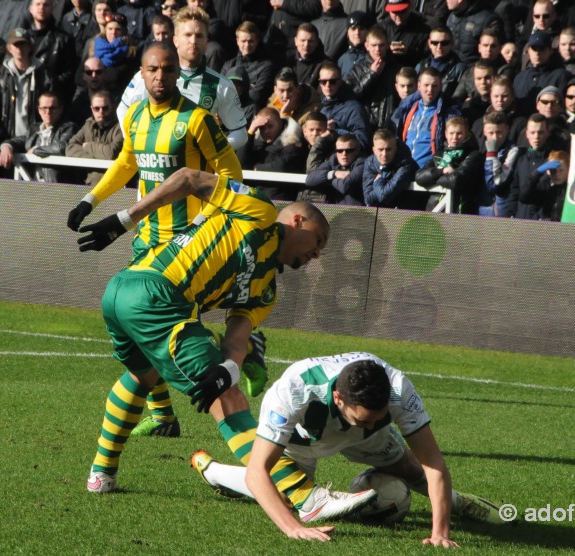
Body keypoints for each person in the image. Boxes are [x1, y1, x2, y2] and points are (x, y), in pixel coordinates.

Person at [78, 165, 381, 540]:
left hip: (124, 293)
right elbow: (189, 178)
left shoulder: (266, 289)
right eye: (317, 242)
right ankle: (305, 495)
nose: (316, 256)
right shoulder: (259, 209)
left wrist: (229, 370)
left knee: (144, 376)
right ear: (299, 220)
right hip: (157, 293)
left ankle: (101, 474)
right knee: (229, 400)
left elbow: (237, 341)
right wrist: (125, 219)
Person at [67, 43, 262, 438]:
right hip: (146, 238)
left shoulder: (197, 120)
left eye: (168, 69)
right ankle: (165, 418)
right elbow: (127, 163)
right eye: (153, 70)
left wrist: (206, 220)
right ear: (141, 73)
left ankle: (246, 349)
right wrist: (90, 200)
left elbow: (231, 175)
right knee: (140, 327)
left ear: (177, 73)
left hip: (187, 242)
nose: (160, 77)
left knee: (166, 329)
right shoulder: (136, 116)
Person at [189, 352, 504, 546]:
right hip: (303, 439)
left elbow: (433, 463)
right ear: (338, 399)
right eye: (363, 419)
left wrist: (440, 533)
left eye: (378, 418)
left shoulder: (397, 390)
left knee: (412, 471)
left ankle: (460, 503)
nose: (370, 423)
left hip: (364, 442)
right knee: (281, 497)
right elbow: (258, 472)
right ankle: (213, 471)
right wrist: (293, 529)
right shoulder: (293, 391)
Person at [115, 6, 248, 150]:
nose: (193, 41)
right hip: (155, 167)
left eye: (199, 36)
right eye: (187, 35)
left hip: (195, 171)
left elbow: (240, 132)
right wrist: (135, 142)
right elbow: (123, 108)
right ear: (176, 40)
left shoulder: (221, 85)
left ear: (206, 41)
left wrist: (213, 150)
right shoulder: (151, 74)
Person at [0, 28, 53, 151]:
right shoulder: (0, 74)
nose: (19, 48)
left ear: (30, 47)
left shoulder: (44, 74)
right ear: (9, 48)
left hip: (36, 142)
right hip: (5, 140)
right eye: (15, 45)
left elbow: (53, 108)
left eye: (23, 44)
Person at [0, 91, 78, 181]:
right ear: (39, 110)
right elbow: (17, 141)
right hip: (34, 187)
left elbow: (62, 147)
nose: (48, 112)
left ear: (60, 109)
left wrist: (36, 150)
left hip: (58, 188)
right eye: (44, 108)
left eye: (52, 108)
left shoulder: (68, 127)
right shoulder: (34, 129)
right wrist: (6, 147)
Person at [391, 66, 461, 169]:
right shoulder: (406, 108)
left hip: (429, 171)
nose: (430, 90)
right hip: (404, 170)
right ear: (419, 86)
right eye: (426, 85)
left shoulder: (449, 112)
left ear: (441, 86)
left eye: (434, 86)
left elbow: (454, 144)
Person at [414, 115, 482, 213]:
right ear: (446, 134)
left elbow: (456, 180)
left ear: (466, 134)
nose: (455, 137)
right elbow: (419, 177)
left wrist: (433, 179)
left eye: (459, 133)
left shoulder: (473, 155)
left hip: (460, 211)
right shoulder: (439, 155)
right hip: (435, 210)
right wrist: (442, 171)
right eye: (451, 133)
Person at [344, 25, 402, 131]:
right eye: (374, 45)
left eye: (381, 45)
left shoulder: (397, 69)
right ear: (367, 46)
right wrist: (372, 74)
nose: (377, 49)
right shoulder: (357, 69)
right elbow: (350, 97)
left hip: (391, 126)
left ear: (387, 45)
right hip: (366, 126)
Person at [243, 106, 307, 198]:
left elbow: (282, 166)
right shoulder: (256, 143)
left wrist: (257, 167)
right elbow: (241, 163)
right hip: (254, 198)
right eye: (261, 128)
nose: (266, 131)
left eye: (270, 126)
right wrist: (251, 131)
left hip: (281, 200)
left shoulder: (293, 142)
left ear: (280, 124)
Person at [65, 89, 124, 187]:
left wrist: (87, 146)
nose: (101, 112)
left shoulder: (121, 127)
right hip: (90, 186)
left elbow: (110, 153)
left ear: (113, 107)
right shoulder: (88, 125)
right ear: (92, 109)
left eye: (105, 108)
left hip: (115, 187)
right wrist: (92, 159)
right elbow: (70, 148)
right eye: (97, 108)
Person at [220, 21, 276, 108]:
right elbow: (220, 91)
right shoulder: (228, 65)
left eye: (251, 41)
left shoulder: (266, 67)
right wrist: (248, 88)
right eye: (243, 41)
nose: (247, 45)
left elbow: (257, 96)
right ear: (237, 41)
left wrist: (233, 90)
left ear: (257, 41)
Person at [512, 31, 572, 113]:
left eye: (542, 49)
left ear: (550, 51)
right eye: (534, 49)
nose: (537, 53)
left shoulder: (561, 76)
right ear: (528, 51)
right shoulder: (519, 77)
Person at [317, 61, 371, 150]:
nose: (328, 85)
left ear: (340, 82)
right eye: (323, 81)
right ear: (319, 83)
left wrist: (335, 132)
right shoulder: (320, 108)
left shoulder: (354, 108)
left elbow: (363, 141)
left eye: (332, 81)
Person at [362, 128, 420, 209]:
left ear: (395, 148)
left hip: (408, 213)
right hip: (383, 214)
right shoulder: (370, 163)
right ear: (374, 150)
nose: (384, 154)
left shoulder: (405, 163)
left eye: (388, 149)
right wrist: (384, 187)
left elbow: (384, 196)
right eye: (380, 150)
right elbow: (368, 199)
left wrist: (378, 181)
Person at [303, 133, 366, 205]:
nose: (344, 154)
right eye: (339, 150)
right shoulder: (333, 159)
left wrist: (328, 179)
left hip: (358, 211)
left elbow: (345, 186)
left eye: (348, 150)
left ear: (357, 150)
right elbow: (309, 179)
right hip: (336, 209)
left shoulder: (363, 162)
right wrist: (334, 174)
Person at [481, 111, 520, 217]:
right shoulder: (480, 150)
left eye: (499, 132)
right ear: (484, 131)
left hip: (502, 210)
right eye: (491, 133)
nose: (495, 137)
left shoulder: (513, 151)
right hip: (482, 209)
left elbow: (495, 184)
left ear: (507, 129)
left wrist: (492, 155)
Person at [445, 0, 504, 65]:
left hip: (478, 69)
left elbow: (495, 48)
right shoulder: (451, 18)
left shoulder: (488, 19)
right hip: (453, 68)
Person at [414, 26, 465, 101]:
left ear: (452, 44)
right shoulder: (420, 66)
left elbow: (459, 97)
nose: (439, 47)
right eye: (434, 43)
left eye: (444, 43)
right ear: (429, 43)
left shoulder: (459, 68)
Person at [519, 149, 569, 221]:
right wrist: (536, 173)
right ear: (548, 171)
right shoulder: (546, 186)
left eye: (561, 170)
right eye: (553, 171)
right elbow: (524, 197)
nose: (557, 174)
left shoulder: (571, 190)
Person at [379, 0, 431, 69]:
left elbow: (428, 56)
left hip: (411, 72)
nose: (398, 16)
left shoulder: (423, 29)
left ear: (409, 8)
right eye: (395, 12)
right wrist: (387, 49)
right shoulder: (381, 27)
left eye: (402, 12)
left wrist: (409, 52)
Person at [288, 22, 329, 87]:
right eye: (303, 40)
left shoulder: (325, 65)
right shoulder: (288, 62)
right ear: (296, 41)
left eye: (310, 41)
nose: (306, 45)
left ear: (317, 42)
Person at [337, 10, 369, 80]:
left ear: (368, 31)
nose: (357, 33)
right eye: (353, 29)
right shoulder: (342, 60)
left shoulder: (372, 57)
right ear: (347, 32)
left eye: (361, 29)